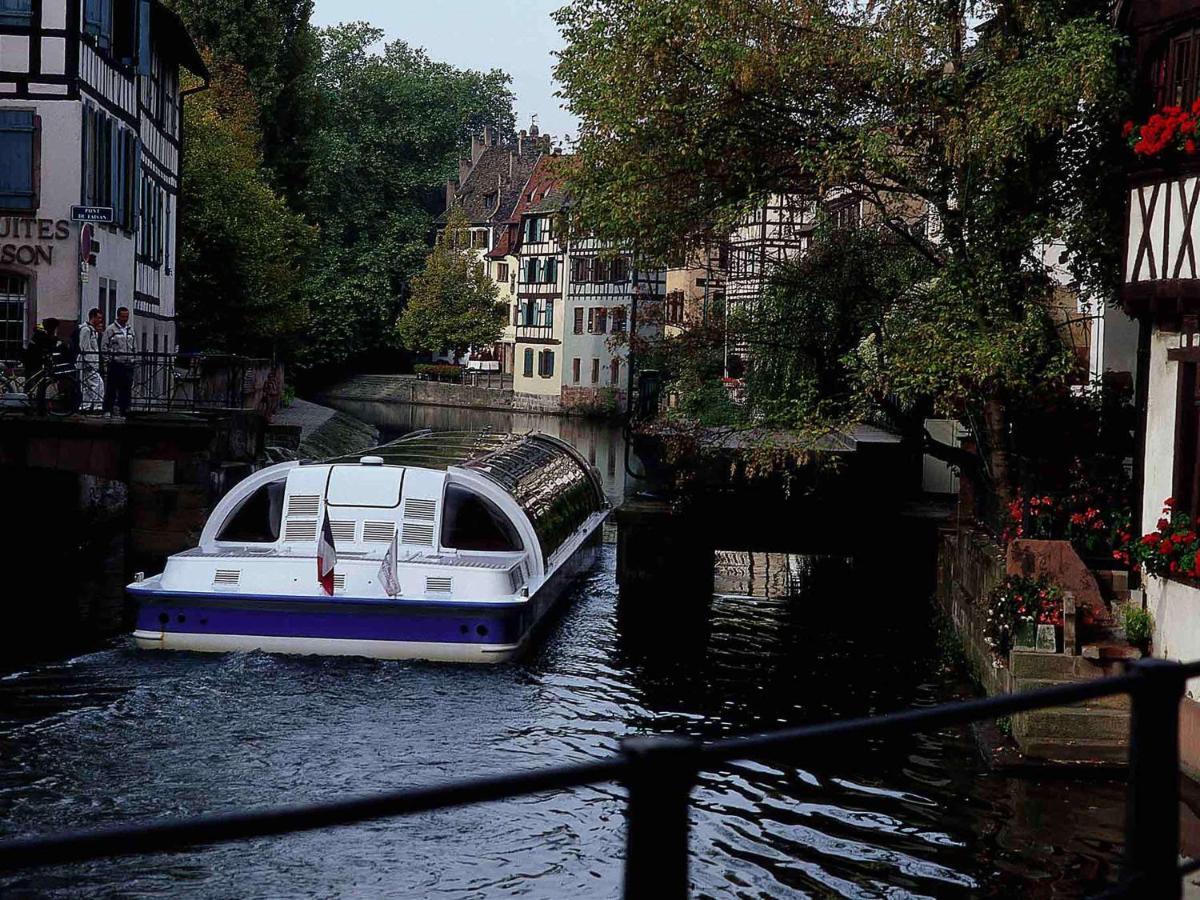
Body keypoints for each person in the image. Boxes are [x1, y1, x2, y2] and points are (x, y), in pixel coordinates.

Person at [102, 306, 136, 418]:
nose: (125, 319)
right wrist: (108, 360)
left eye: (127, 316)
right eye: (123, 316)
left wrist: (133, 358)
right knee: (111, 388)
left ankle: (124, 410)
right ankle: (108, 410)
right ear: (118, 316)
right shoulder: (111, 329)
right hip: (116, 363)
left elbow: (134, 345)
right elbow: (104, 346)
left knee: (126, 389)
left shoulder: (130, 329)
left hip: (128, 363)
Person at [78, 308, 104, 413]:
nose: (100, 320)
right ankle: (98, 406)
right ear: (93, 317)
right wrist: (89, 362)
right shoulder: (86, 330)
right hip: (88, 363)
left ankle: (86, 406)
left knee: (87, 386)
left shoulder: (92, 330)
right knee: (98, 384)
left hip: (91, 362)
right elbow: (84, 347)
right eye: (99, 318)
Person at [23, 318, 62, 384]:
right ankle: (28, 393)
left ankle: (34, 392)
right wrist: (57, 342)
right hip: (33, 360)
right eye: (54, 328)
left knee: (36, 380)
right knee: (32, 380)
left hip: (33, 359)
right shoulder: (42, 334)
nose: (54, 330)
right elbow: (48, 345)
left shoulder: (41, 331)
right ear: (51, 327)